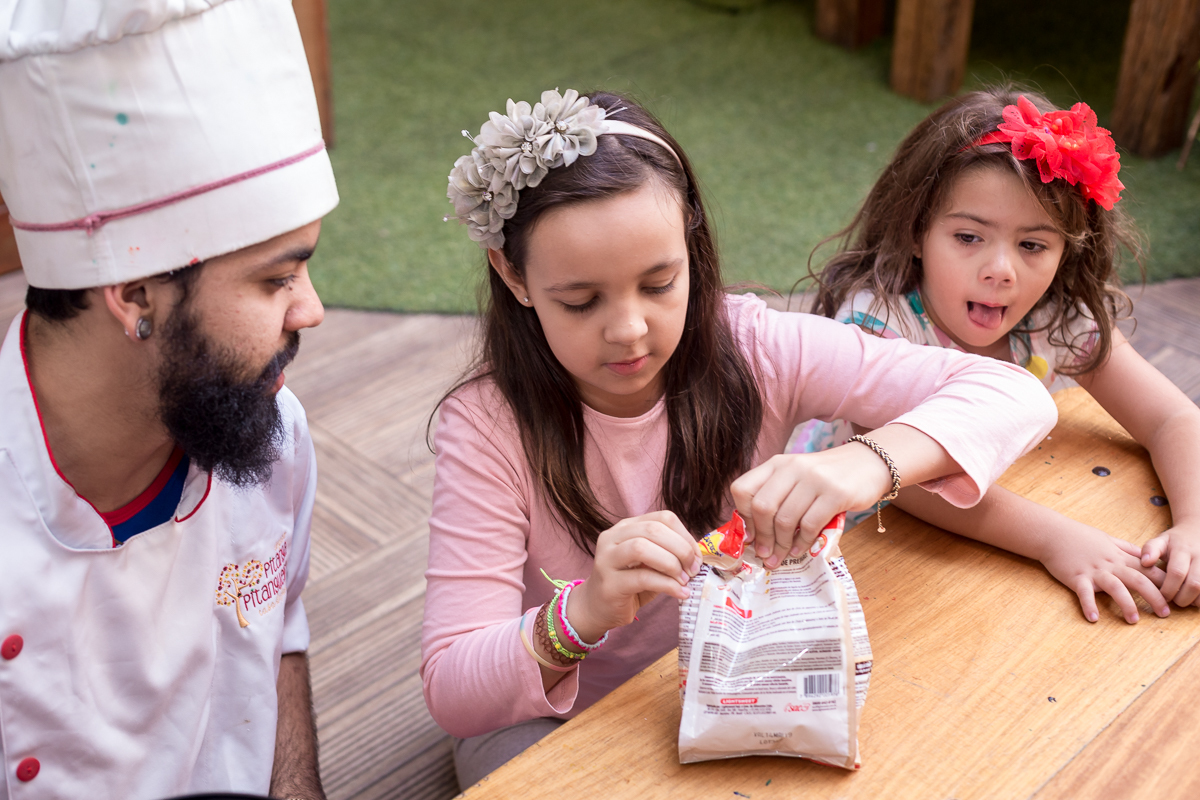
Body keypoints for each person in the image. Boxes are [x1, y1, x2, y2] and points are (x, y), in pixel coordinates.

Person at [421, 88, 1057, 789]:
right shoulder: (487, 425)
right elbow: (453, 688)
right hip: (563, 720)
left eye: (660, 282)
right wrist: (582, 613)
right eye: (581, 301)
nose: (630, 329)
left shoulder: (755, 344)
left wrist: (868, 461)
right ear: (513, 275)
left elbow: (1015, 394)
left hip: (744, 680)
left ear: (692, 247)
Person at [0, 1, 338, 797]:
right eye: (276, 279)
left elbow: (276, 627)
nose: (312, 310)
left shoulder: (271, 429)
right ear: (134, 293)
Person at [798, 87, 1200, 625]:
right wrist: (1056, 538)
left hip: (979, 550)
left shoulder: (1055, 318)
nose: (1001, 270)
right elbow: (902, 480)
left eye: (1033, 245)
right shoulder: (879, 326)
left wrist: (1195, 523)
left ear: (1067, 249)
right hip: (855, 555)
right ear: (916, 230)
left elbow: (1171, 416)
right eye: (969, 236)